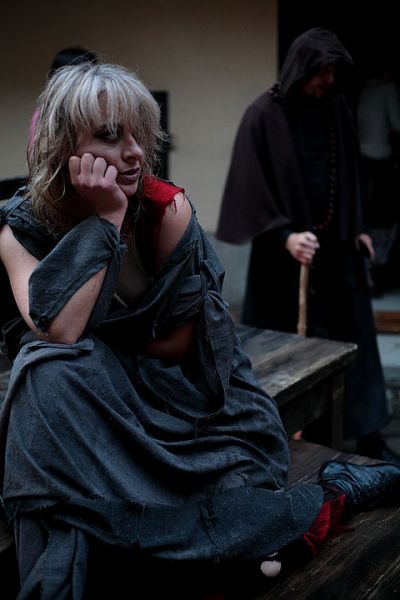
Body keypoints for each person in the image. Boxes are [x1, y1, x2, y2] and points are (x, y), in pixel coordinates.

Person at [0, 61, 400, 599]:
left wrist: (113, 229)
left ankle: (330, 495)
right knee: (45, 373)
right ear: (62, 145)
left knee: (57, 372)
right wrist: (104, 223)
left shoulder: (166, 212)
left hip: (187, 407)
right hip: (96, 402)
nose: (135, 152)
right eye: (110, 135)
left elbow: (188, 342)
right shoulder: (21, 228)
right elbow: (61, 330)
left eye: (140, 133)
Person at [216, 28, 395, 462]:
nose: (328, 80)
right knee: (287, 351)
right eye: (321, 71)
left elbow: (349, 171)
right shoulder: (263, 115)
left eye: (333, 71)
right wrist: (285, 236)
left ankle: (367, 434)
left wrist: (357, 226)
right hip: (284, 258)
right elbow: (250, 188)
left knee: (354, 340)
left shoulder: (335, 107)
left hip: (336, 249)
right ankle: (279, 438)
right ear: (301, 69)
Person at [357, 61, 400, 295]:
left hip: (363, 160)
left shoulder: (366, 89)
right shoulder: (387, 88)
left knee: (368, 220)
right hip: (380, 161)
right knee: (382, 222)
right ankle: (376, 276)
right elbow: (397, 123)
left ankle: (369, 276)